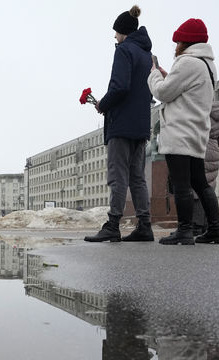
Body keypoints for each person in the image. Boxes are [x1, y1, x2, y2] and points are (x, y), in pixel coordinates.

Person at [147, 19, 219, 245]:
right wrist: (167, 74)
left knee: (181, 184)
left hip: (180, 132)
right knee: (200, 183)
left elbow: (163, 92)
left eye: (178, 41)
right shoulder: (207, 64)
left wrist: (154, 73)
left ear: (186, 42)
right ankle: (215, 230)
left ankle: (184, 231)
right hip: (196, 132)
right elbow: (184, 89)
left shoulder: (187, 63)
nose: (176, 46)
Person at [85, 6, 154, 243]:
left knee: (118, 176)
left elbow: (120, 86)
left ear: (123, 32)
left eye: (116, 32)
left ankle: (113, 224)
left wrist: (103, 104)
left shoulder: (124, 51)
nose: (114, 37)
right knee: (137, 177)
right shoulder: (148, 55)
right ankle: (145, 225)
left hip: (121, 123)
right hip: (142, 123)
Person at [192, 100, 219, 235]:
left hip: (197, 146)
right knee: (208, 186)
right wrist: (213, 144)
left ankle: (196, 224)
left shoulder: (195, 104)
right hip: (213, 150)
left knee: (195, 187)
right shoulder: (217, 110)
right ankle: (207, 224)